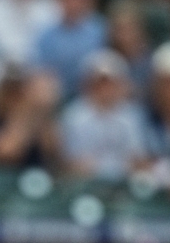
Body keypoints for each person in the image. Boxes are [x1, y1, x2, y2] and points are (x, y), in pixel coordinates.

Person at [58, 50, 151, 182]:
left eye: (111, 83)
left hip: (125, 182)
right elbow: (75, 164)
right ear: (88, 84)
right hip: (86, 183)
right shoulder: (74, 116)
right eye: (100, 83)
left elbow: (138, 160)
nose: (106, 89)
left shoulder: (132, 115)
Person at [33, 0, 107, 101]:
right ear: (60, 1)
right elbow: (40, 68)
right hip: (56, 94)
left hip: (90, 92)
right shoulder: (46, 33)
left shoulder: (99, 30)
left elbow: (103, 64)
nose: (74, 4)